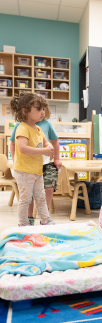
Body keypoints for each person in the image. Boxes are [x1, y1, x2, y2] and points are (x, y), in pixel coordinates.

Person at [10, 93, 55, 227]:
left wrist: (49, 146)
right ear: (25, 111)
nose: (43, 112)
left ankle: (45, 220)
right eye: (38, 109)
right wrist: (44, 150)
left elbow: (46, 142)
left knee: (40, 197)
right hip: (24, 171)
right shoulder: (22, 128)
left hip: (36, 171)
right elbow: (23, 148)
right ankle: (23, 224)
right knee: (25, 199)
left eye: (43, 109)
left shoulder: (38, 129)